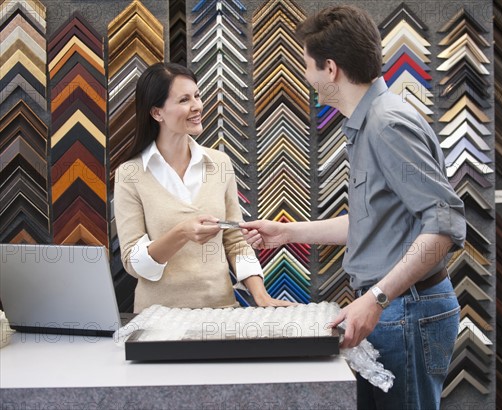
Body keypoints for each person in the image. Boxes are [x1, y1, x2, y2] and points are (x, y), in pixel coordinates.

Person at [241, 5, 466, 409]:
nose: (306, 77)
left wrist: (377, 296)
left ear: (331, 69)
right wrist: (288, 232)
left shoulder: (386, 124)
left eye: (307, 66)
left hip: (406, 310)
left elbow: (445, 225)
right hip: (397, 308)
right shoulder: (369, 123)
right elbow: (374, 222)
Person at [114, 62, 291, 313]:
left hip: (220, 312)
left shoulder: (219, 164)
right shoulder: (130, 174)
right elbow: (135, 263)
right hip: (157, 318)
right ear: (157, 113)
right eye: (184, 100)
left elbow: (235, 240)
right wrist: (182, 233)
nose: (197, 106)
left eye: (197, 96)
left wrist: (260, 295)